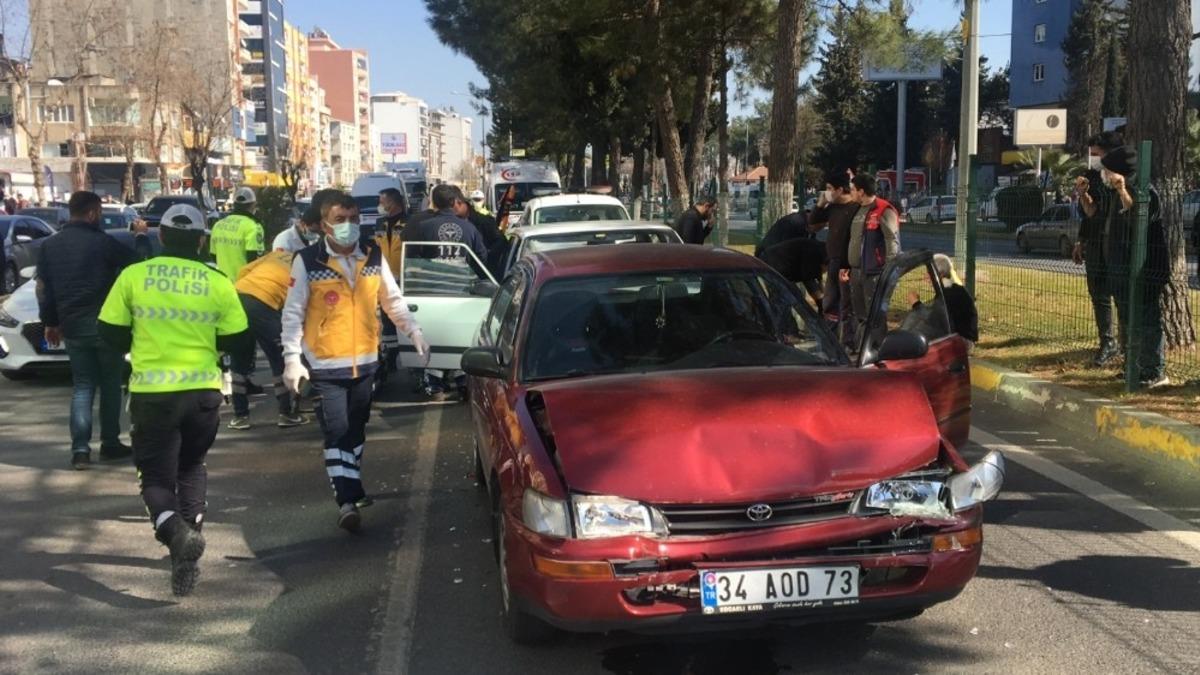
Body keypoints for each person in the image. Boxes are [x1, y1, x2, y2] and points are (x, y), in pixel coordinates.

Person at [97, 203, 250, 596]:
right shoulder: (216, 281)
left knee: (156, 478)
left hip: (153, 395)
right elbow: (238, 339)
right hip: (202, 394)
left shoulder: (134, 276)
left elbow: (109, 332)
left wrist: (139, 345)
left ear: (160, 236)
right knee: (191, 466)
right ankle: (186, 544)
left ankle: (173, 531)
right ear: (202, 241)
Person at [281, 193, 429, 531]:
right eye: (340, 219)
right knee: (337, 431)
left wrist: (413, 330)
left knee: (356, 429)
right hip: (325, 364)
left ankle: (353, 485)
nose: (348, 225)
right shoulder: (307, 260)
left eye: (352, 218)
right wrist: (292, 358)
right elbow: (292, 314)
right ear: (323, 224)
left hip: (365, 361)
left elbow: (392, 300)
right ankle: (346, 500)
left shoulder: (373, 255)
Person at [35, 191, 151, 469]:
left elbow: (43, 289)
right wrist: (141, 236)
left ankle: (80, 450)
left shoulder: (50, 246)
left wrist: (50, 322)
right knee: (110, 384)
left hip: (73, 327)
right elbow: (141, 266)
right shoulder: (103, 243)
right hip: (105, 326)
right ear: (93, 212)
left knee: (83, 386)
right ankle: (110, 443)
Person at [403, 185, 488, 400]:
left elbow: (412, 259)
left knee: (433, 337)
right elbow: (481, 258)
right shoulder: (468, 228)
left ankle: (435, 384)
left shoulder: (424, 228)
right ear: (453, 202)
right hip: (461, 291)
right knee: (460, 339)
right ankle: (462, 382)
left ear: (434, 202)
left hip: (430, 292)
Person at [1097, 146, 1169, 388]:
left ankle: (1153, 371)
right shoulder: (1117, 194)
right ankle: (1133, 367)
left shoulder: (1145, 192)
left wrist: (1122, 189)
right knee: (1128, 322)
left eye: (1108, 171)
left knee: (1147, 322)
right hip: (1121, 272)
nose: (1105, 176)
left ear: (1121, 172)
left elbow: (1138, 219)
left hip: (1144, 272)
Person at [227, 250, 308, 430]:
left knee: (240, 357)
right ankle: (286, 413)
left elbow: (244, 270)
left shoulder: (276, 255)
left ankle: (240, 416)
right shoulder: (304, 266)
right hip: (265, 303)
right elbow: (297, 304)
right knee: (279, 358)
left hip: (236, 297)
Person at [1074, 130, 1125, 366]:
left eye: (1097, 153)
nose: (1093, 158)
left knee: (1122, 294)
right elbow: (1090, 213)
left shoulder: (1123, 175)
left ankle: (1127, 344)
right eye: (1091, 154)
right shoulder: (1091, 176)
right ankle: (1108, 342)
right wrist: (1083, 195)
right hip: (1095, 241)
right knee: (1099, 294)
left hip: (1118, 242)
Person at [845, 174, 900, 343]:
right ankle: (863, 348)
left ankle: (878, 348)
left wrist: (888, 270)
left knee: (875, 314)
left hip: (874, 272)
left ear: (861, 191)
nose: (851, 193)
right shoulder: (857, 210)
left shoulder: (884, 209)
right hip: (856, 271)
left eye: (853, 190)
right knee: (860, 313)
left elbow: (892, 240)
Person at [808, 171, 861, 344]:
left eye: (830, 189)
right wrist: (820, 205)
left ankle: (849, 341)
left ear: (840, 190)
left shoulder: (855, 208)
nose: (827, 192)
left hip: (848, 263)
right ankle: (829, 341)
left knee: (847, 304)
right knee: (830, 303)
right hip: (833, 261)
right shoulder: (832, 208)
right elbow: (812, 224)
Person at [376, 187, 407, 371]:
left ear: (393, 203)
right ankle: (391, 357)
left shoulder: (409, 223)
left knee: (404, 315)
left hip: (404, 278)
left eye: (382, 201)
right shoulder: (380, 223)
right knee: (387, 320)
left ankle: (410, 355)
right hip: (384, 278)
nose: (379, 205)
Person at [210, 187, 264, 279]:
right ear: (253, 205)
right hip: (242, 285)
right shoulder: (254, 227)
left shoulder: (218, 225)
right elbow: (255, 261)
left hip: (222, 283)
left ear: (234, 204)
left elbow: (213, 256)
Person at [759, 237, 828, 307]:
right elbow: (809, 281)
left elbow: (817, 277)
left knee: (790, 296)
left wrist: (822, 290)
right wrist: (821, 303)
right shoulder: (812, 254)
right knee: (784, 298)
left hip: (775, 261)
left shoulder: (819, 251)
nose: (826, 272)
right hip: (774, 264)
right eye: (827, 269)